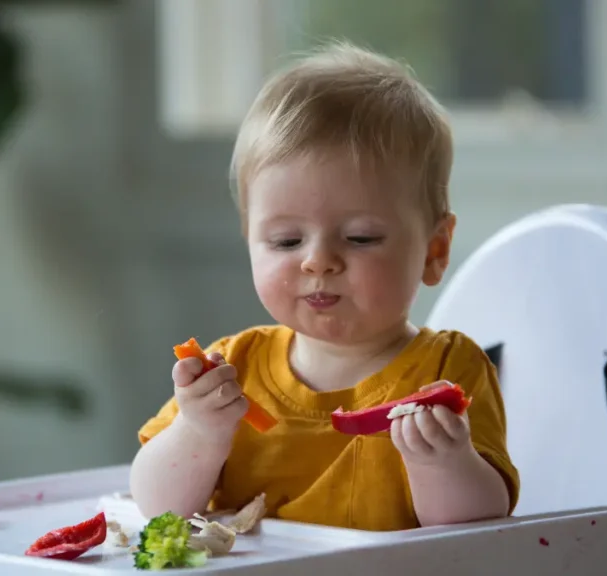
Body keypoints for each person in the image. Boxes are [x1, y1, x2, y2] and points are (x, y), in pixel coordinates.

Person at [129, 41, 519, 532]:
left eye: (360, 238)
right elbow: (157, 507)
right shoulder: (234, 368)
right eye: (286, 240)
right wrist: (199, 431)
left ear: (434, 251)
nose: (318, 261)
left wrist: (442, 462)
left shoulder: (447, 371)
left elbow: (478, 531)